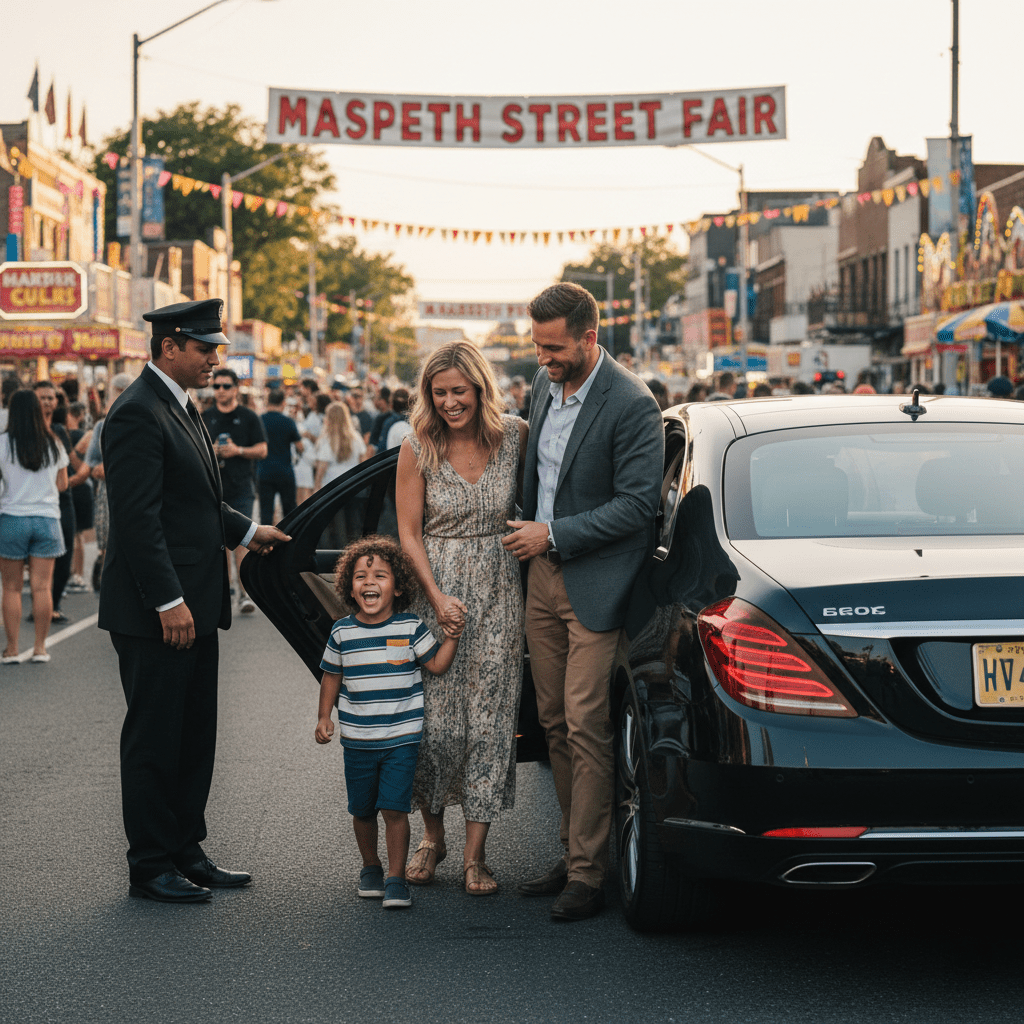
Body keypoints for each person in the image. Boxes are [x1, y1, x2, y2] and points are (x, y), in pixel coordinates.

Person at [98, 298, 290, 904]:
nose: (215, 359)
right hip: (160, 611)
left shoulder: (180, 405)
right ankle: (150, 863)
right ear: (169, 346)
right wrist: (167, 600)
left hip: (195, 605)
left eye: (216, 348)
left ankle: (186, 849)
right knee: (155, 737)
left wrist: (247, 531)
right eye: (205, 348)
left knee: (192, 735)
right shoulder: (135, 412)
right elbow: (137, 521)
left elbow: (196, 502)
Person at [503, 282, 663, 921]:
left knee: (585, 722)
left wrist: (555, 533)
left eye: (555, 347)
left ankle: (590, 876)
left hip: (596, 586)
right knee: (551, 724)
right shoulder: (543, 387)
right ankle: (575, 853)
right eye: (537, 347)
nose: (543, 359)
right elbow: (536, 476)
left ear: (590, 336)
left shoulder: (632, 403)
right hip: (539, 577)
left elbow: (637, 505)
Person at [396, 340, 528, 896]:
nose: (450, 402)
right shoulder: (417, 446)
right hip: (437, 593)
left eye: (459, 391)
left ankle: (476, 855)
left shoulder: (513, 437)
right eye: (439, 392)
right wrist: (436, 595)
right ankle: (432, 838)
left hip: (500, 592)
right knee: (435, 725)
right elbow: (407, 532)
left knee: (491, 724)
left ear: (480, 388)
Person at [315, 535, 461, 909]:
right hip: (358, 741)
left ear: (397, 587)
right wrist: (323, 717)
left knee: (394, 808)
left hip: (401, 739)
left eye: (380, 575)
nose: (370, 583)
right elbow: (331, 676)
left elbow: (437, 666)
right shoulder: (342, 632)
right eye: (362, 576)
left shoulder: (411, 627)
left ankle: (396, 877)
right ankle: (371, 867)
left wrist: (452, 638)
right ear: (349, 586)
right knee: (362, 809)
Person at [0, 389, 68, 664]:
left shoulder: (3, 443)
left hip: (12, 519)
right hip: (47, 520)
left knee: (12, 588)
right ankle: (40, 648)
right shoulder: (53, 443)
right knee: (42, 588)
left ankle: (12, 649)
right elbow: (63, 485)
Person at [202, 368, 268, 615]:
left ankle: (244, 594)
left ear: (236, 389)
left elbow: (262, 450)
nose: (220, 391)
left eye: (225, 386)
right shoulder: (205, 416)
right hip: (213, 490)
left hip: (241, 489)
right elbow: (193, 450)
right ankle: (224, 593)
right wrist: (213, 451)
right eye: (216, 386)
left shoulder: (249, 417)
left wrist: (237, 451)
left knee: (242, 543)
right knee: (215, 544)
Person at [84, 372, 133, 592]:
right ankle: (110, 582)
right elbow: (92, 464)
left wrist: (111, 469)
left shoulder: (144, 421)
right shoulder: (102, 426)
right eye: (117, 393)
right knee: (107, 542)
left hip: (135, 494)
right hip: (108, 495)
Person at [33, 381, 77, 624]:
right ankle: (41, 605)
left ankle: (54, 603)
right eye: (42, 398)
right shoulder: (24, 429)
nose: (47, 402)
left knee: (65, 554)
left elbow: (68, 464)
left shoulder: (59, 430)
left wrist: (83, 473)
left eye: (51, 398)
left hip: (63, 499)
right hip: (38, 502)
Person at [257, 389, 303, 525]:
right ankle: (291, 540)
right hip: (285, 471)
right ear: (283, 403)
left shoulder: (260, 420)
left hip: (264, 471)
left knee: (266, 512)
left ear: (267, 402)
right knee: (290, 511)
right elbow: (300, 447)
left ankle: (266, 544)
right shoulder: (288, 422)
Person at [64, 401, 94, 594]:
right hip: (83, 488)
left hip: (67, 487)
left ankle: (72, 574)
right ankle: (78, 575)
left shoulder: (62, 436)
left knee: (70, 535)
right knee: (79, 535)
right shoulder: (86, 436)